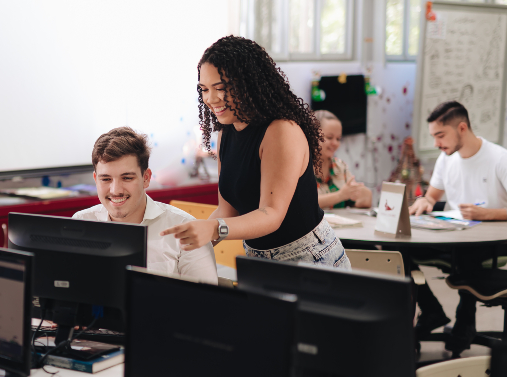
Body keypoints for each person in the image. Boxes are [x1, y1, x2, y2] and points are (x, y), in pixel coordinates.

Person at [160, 36, 350, 269]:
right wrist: (185, 249)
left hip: (310, 258)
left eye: (220, 88)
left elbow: (271, 214)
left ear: (248, 83)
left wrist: (212, 228)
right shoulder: (227, 133)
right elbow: (226, 210)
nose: (211, 99)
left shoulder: (281, 131)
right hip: (257, 258)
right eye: (204, 89)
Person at [408, 101, 507, 353]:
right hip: (454, 236)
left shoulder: (501, 159)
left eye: (441, 135)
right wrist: (422, 204)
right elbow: (431, 196)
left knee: (466, 250)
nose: (437, 143)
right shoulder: (446, 158)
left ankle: (466, 318)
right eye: (434, 137)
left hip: (493, 242)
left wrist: (489, 214)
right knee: (399, 252)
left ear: (462, 128)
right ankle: (432, 312)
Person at [73, 126, 218, 284]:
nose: (115, 190)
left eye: (127, 178)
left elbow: (205, 305)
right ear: (95, 179)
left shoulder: (186, 229)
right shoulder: (81, 223)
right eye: (106, 179)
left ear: (146, 178)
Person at [313, 110, 372, 209]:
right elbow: (303, 204)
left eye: (338, 139)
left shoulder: (340, 166)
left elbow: (364, 198)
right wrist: (341, 195)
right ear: (313, 135)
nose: (335, 143)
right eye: (329, 137)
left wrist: (360, 195)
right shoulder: (302, 167)